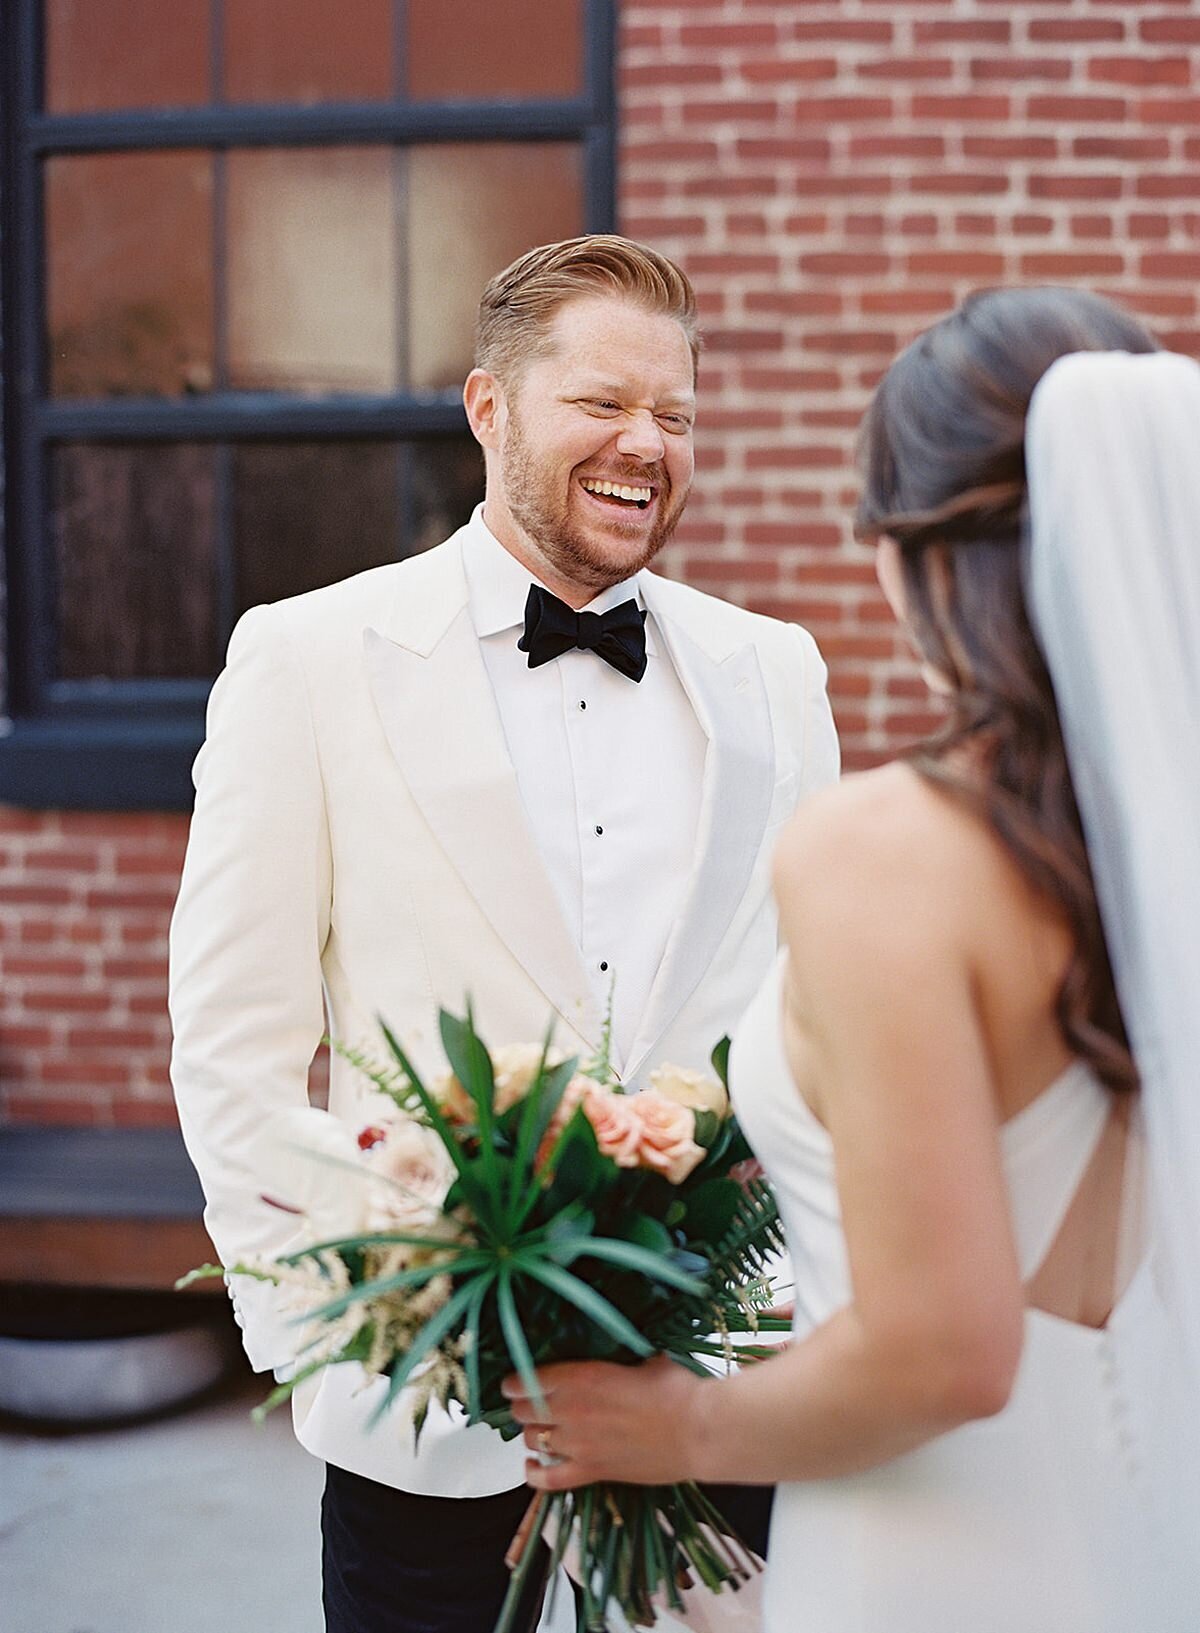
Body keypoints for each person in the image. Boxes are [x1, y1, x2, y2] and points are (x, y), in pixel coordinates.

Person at [168, 234, 840, 1633]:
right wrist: (325, 1347)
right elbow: (234, 1056)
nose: (645, 443)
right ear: (489, 407)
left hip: (716, 1403)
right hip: (423, 1410)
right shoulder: (304, 660)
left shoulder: (778, 674)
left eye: (676, 414)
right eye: (600, 403)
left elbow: (809, 1026)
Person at [506, 287, 1200, 1632]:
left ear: (918, 549)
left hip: (940, 1565)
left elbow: (944, 1350)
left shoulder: (884, 852)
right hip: (1154, 1535)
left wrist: (665, 1427)